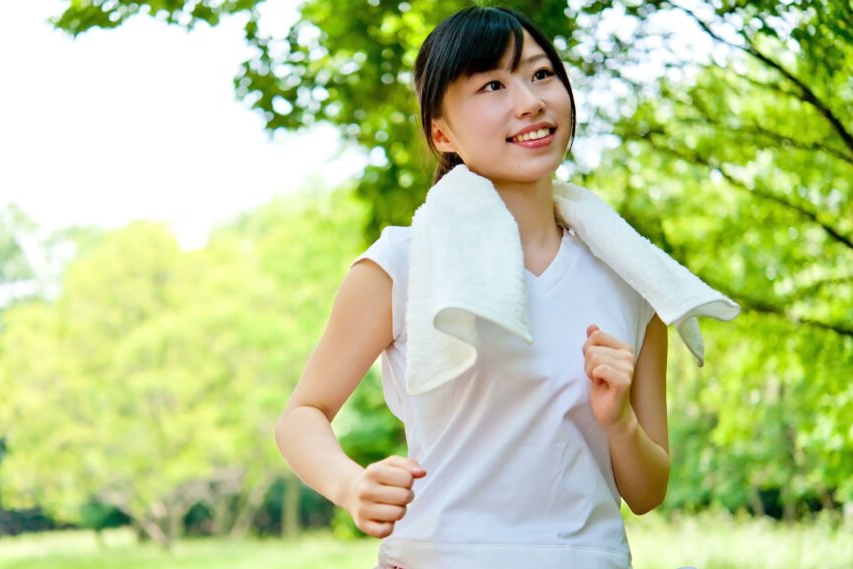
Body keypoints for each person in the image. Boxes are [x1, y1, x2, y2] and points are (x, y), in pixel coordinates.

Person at [275, 6, 672, 568]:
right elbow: (302, 415)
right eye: (492, 85)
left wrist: (620, 421)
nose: (529, 101)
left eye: (541, 74)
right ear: (442, 133)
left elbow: (648, 493)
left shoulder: (631, 275)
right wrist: (351, 485)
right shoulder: (402, 263)